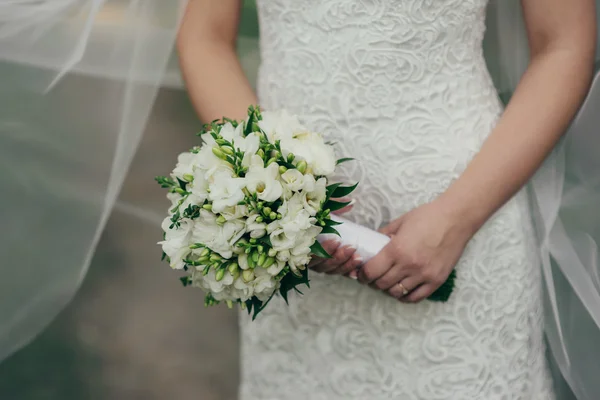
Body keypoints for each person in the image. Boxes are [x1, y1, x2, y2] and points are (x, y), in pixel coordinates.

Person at [176, 1, 596, 399]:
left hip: (464, 230)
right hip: (296, 259)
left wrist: (457, 219)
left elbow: (563, 45)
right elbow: (204, 37)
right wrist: (278, 199)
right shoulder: (284, 215)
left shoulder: (460, 223)